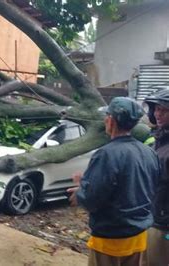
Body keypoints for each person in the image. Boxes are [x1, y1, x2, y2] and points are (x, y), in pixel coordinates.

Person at [68, 97, 160, 266]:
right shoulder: (148, 152)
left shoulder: (106, 154)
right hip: (139, 235)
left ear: (110, 121)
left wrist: (82, 189)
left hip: (111, 238)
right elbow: (150, 187)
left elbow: (93, 199)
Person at [143, 89, 169, 266]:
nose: (158, 114)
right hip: (153, 216)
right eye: (156, 109)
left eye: (164, 110)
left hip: (164, 223)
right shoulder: (159, 139)